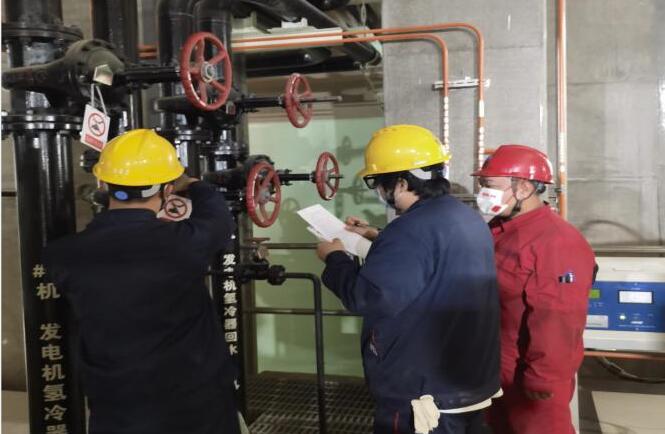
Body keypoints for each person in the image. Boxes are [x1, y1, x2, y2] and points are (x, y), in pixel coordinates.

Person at [43, 129, 240, 434]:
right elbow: (219, 218)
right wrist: (193, 184)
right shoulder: (184, 244)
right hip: (196, 404)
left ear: (102, 184)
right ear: (167, 190)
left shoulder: (63, 255)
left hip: (117, 407)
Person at [316, 124, 501, 434]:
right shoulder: (464, 216)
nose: (378, 191)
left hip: (424, 397)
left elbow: (369, 297)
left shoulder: (410, 230)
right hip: (467, 381)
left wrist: (334, 258)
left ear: (400, 183)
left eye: (377, 182)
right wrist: (377, 236)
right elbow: (433, 261)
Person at [472, 144, 596, 434]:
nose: (483, 194)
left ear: (524, 188)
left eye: (490, 186)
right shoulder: (500, 230)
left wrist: (543, 377)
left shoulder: (557, 241)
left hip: (530, 375)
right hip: (498, 368)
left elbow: (559, 317)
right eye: (482, 185)